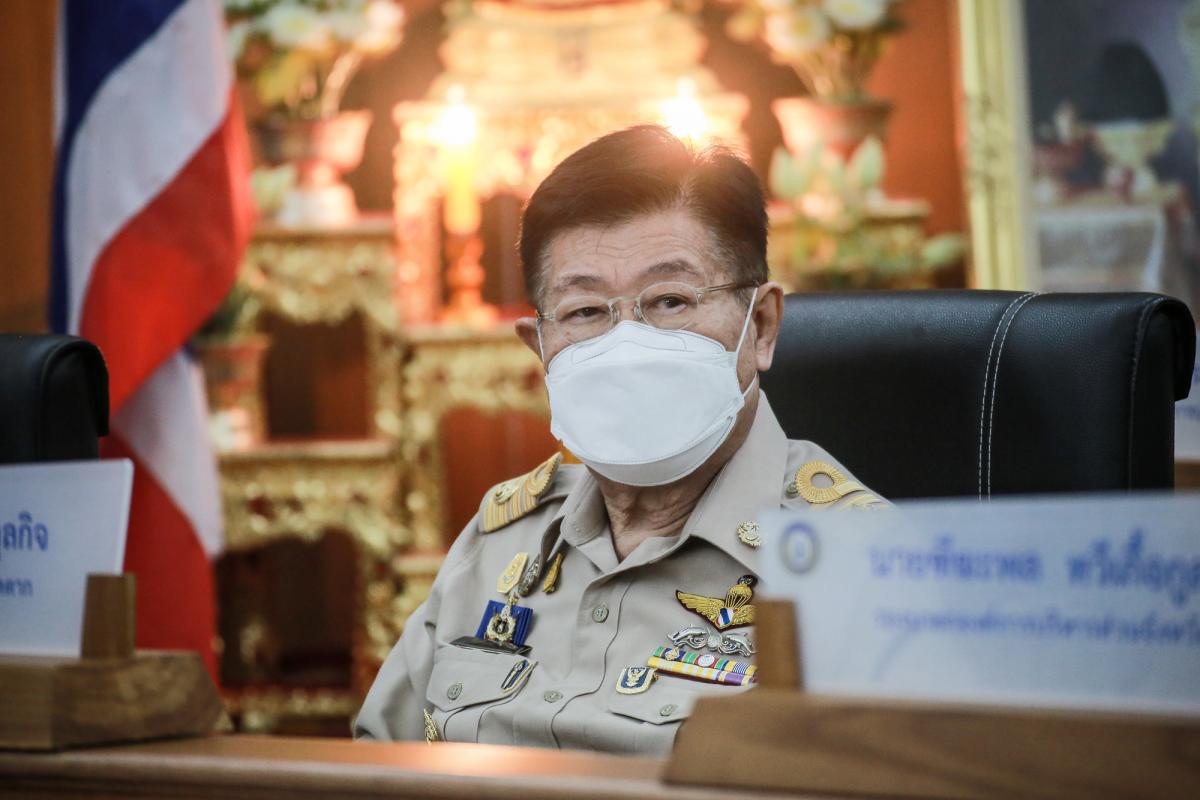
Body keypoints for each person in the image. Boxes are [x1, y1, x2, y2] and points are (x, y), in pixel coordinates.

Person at [354, 125, 883, 754]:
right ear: (539, 348)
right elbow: (377, 764)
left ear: (761, 326)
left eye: (670, 301)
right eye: (584, 312)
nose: (627, 345)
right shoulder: (502, 541)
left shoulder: (861, 561)